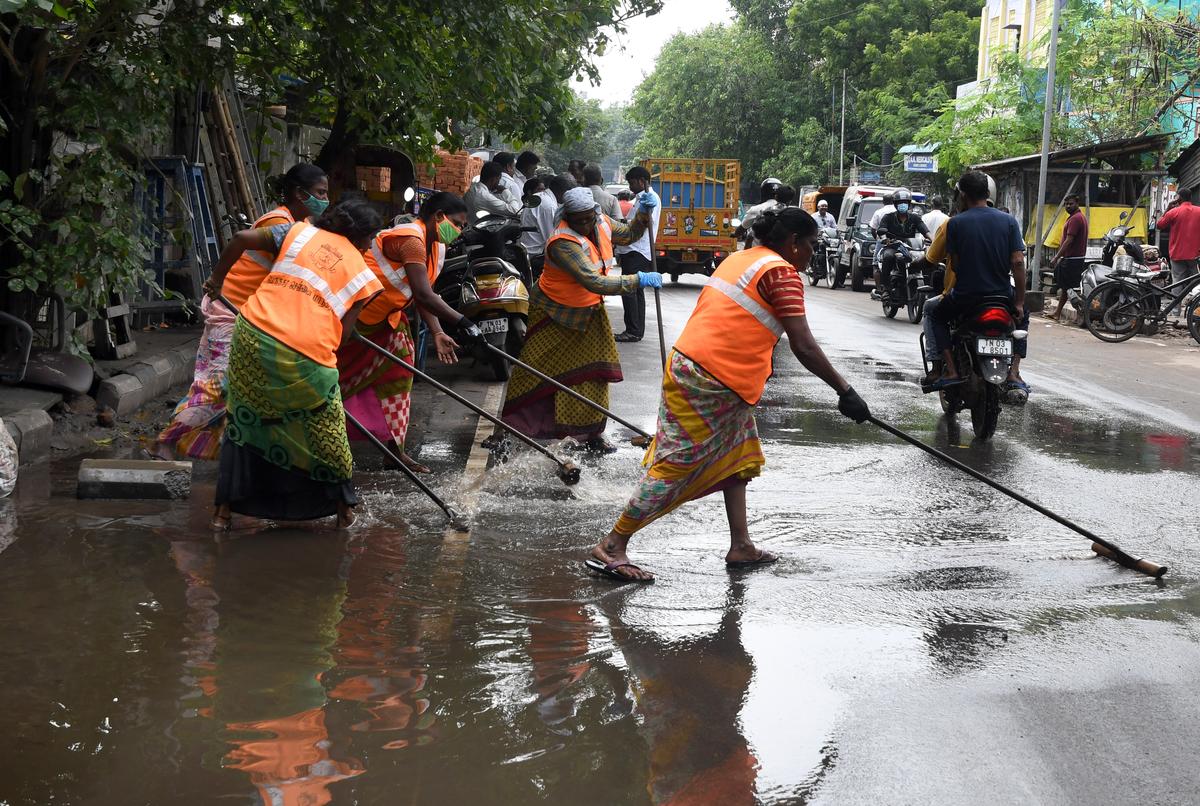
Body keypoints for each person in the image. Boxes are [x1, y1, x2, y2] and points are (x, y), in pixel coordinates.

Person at [587, 207, 871, 582]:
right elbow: (802, 345)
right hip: (712, 380)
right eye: (811, 245)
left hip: (698, 368)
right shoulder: (780, 273)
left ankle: (741, 545)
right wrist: (845, 391)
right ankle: (613, 544)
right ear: (794, 243)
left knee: (739, 457)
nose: (812, 253)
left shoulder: (741, 259)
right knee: (678, 464)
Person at [204, 199, 387, 530]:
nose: (372, 245)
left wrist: (217, 281)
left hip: (252, 335)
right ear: (361, 236)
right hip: (305, 353)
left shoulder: (297, 232)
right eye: (371, 238)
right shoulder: (365, 278)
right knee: (326, 431)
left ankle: (223, 514)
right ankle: (344, 512)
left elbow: (242, 238)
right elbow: (342, 337)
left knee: (244, 422)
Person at [156, 163, 329, 460]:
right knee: (220, 383)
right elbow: (238, 240)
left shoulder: (298, 226)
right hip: (231, 310)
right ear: (300, 194)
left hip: (247, 315)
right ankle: (166, 441)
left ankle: (230, 454)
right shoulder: (280, 223)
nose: (325, 200)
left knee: (243, 387)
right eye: (320, 193)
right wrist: (216, 280)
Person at [502, 186, 661, 453]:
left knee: (594, 372)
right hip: (554, 313)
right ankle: (511, 427)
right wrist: (637, 280)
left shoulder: (603, 223)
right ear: (567, 216)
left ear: (595, 212)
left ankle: (591, 434)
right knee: (534, 368)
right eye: (579, 220)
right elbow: (593, 280)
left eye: (589, 217)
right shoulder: (562, 242)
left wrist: (643, 213)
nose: (586, 224)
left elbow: (632, 234)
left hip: (588, 312)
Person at [336, 192, 483, 474]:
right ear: (438, 216)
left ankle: (395, 451)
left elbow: (422, 294)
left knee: (400, 375)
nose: (460, 231)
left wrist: (438, 331)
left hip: (388, 320)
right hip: (355, 320)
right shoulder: (411, 240)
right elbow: (424, 295)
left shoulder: (435, 245)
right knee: (337, 379)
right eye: (457, 223)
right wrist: (464, 322)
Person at [926, 172, 1026, 389]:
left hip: (966, 296)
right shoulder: (1008, 221)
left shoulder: (955, 224)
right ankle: (1014, 372)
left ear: (962, 195)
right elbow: (1018, 262)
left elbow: (957, 264)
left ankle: (951, 370)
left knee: (936, 316)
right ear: (988, 193)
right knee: (1022, 318)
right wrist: (1018, 301)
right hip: (1001, 295)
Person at [614, 165, 662, 343]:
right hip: (636, 250)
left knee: (629, 290)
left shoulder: (648, 198)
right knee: (636, 291)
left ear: (642, 181)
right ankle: (636, 330)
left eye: (632, 183)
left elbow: (643, 223)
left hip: (636, 250)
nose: (631, 187)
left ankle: (633, 330)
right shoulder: (641, 198)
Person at [873, 188, 929, 301]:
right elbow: (881, 230)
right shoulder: (888, 217)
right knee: (888, 257)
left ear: (909, 204)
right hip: (893, 246)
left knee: (927, 258)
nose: (903, 205)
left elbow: (925, 231)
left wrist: (932, 239)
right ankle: (885, 289)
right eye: (900, 203)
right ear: (895, 204)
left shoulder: (915, 218)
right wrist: (885, 239)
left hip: (910, 248)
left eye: (905, 203)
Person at [1047, 194, 1088, 320]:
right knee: (1066, 287)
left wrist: (1056, 257)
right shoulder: (1076, 217)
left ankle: (1083, 310)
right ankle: (1058, 313)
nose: (1068, 206)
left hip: (1072, 258)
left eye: (1071, 203)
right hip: (1073, 258)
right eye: (1066, 204)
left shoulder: (1076, 219)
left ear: (1077, 203)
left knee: (1067, 285)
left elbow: (1069, 240)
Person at [1150, 185, 1200, 285]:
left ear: (1179, 198)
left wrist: (1168, 208)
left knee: (1178, 281)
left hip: (1177, 253)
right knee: (1196, 283)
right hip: (1196, 254)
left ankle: (1177, 300)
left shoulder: (1173, 212)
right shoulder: (1198, 211)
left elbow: (1159, 225)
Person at [520, 176, 557, 281]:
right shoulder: (547, 205)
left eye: (542, 189)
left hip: (530, 253)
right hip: (536, 256)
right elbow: (551, 239)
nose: (541, 192)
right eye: (539, 189)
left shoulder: (542, 201)